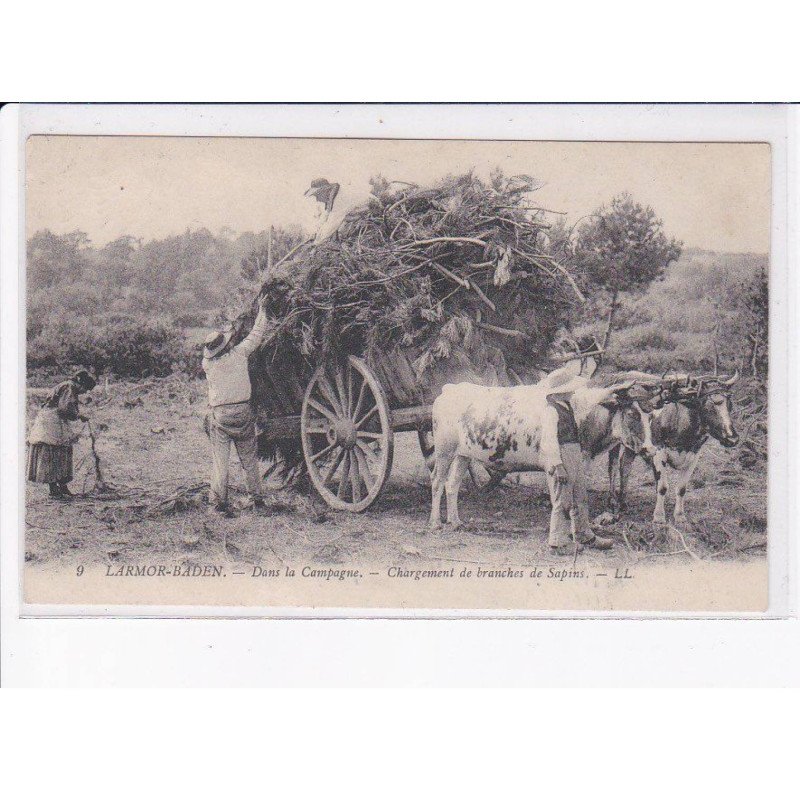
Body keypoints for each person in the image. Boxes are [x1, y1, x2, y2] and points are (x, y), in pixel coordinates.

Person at [202, 297, 272, 515]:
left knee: (220, 461)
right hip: (242, 412)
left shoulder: (207, 365)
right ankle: (257, 500)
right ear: (227, 345)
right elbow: (256, 334)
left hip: (221, 415)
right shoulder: (240, 354)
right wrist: (262, 310)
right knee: (249, 459)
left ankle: (218, 503)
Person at [545, 393, 613, 555]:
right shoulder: (551, 410)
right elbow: (548, 441)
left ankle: (583, 534)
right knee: (563, 499)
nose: (573, 392)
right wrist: (558, 465)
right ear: (558, 392)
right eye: (569, 390)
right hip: (562, 453)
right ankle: (558, 542)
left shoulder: (567, 406)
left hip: (574, 451)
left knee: (580, 496)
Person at [27, 369, 96, 500]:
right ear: (81, 384)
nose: (84, 392)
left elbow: (67, 406)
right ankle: (54, 489)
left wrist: (77, 413)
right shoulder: (69, 387)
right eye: (85, 389)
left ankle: (62, 487)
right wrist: (79, 415)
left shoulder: (68, 386)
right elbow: (64, 408)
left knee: (62, 452)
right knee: (54, 453)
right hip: (51, 422)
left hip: (54, 420)